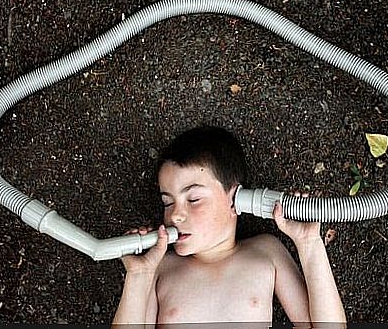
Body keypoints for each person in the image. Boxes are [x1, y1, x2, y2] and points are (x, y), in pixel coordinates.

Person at [112, 126, 346, 328]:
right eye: (167, 202)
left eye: (193, 199)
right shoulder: (160, 267)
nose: (176, 215)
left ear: (236, 199)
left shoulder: (266, 252)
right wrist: (138, 276)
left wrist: (309, 243)